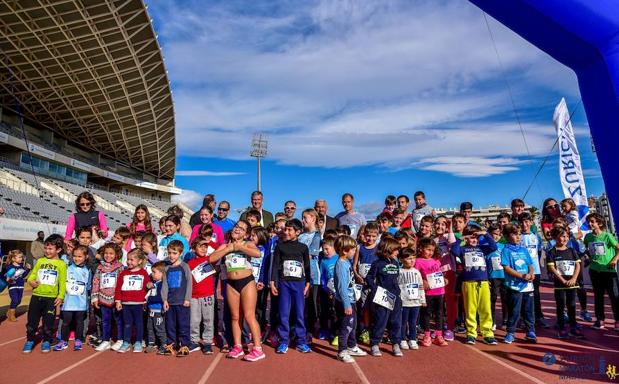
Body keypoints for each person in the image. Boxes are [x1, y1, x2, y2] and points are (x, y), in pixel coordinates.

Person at [210, 220, 265, 361]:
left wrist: (239, 246)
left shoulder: (248, 244)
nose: (237, 229)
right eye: (236, 227)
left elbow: (257, 254)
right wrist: (229, 249)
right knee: (235, 317)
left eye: (242, 228)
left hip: (247, 282)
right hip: (231, 284)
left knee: (249, 315)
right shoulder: (225, 245)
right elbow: (212, 258)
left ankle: (258, 348)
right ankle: (238, 346)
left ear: (246, 234)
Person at [270, 219, 311, 354]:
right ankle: (283, 341)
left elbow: (307, 266)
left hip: (299, 283)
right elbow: (275, 265)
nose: (286, 232)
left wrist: (308, 283)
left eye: (289, 230)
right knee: (283, 313)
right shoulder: (280, 246)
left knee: (299, 313)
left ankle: (301, 341)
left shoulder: (303, 248)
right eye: (285, 229)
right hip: (284, 283)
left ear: (297, 232)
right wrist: (272, 282)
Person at [451, 226, 498, 345]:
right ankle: (471, 333)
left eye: (476, 237)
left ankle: (487, 333)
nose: (474, 239)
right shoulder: (462, 249)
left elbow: (494, 246)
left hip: (483, 282)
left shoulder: (482, 248)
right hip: (468, 283)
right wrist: (462, 238)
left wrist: (485, 234)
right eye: (471, 237)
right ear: (467, 238)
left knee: (485, 308)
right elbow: (454, 250)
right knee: (470, 309)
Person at [22, 234, 67, 353]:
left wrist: (61, 296)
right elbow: (32, 275)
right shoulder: (40, 261)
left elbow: (62, 282)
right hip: (36, 296)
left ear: (58, 249)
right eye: (46, 248)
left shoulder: (61, 264)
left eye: (50, 248)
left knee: (48, 322)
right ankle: (30, 340)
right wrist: (31, 281)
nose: (47, 251)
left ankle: (47, 340)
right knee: (32, 321)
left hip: (50, 298)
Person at [366, 237, 403, 357]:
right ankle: (375, 344)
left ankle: (395, 343)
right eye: (396, 250)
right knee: (380, 320)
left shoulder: (395, 263)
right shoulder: (377, 263)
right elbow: (369, 278)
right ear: (388, 249)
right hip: (382, 296)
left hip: (395, 297)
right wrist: (376, 288)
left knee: (396, 321)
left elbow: (397, 278)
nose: (398, 252)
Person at [333, 235, 367, 363]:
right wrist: (347, 304)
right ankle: (342, 351)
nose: (354, 252)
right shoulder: (341, 265)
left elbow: (349, 281)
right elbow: (342, 287)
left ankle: (352, 346)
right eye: (352, 250)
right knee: (346, 326)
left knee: (353, 325)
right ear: (344, 251)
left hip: (351, 299)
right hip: (344, 302)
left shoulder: (346, 262)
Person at [501, 224, 536, 344]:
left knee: (529, 310)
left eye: (519, 234)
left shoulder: (523, 249)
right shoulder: (506, 250)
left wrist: (531, 273)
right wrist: (521, 276)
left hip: (527, 286)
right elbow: (506, 268)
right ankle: (510, 332)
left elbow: (530, 264)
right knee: (515, 310)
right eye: (514, 234)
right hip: (514, 286)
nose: (518, 237)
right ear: (506, 236)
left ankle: (530, 331)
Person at [546, 226, 584, 338]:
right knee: (561, 306)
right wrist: (563, 280)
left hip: (572, 284)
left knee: (572, 305)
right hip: (560, 285)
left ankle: (573, 327)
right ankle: (561, 328)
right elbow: (552, 269)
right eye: (563, 236)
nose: (565, 238)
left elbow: (578, 265)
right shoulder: (552, 252)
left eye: (567, 236)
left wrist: (573, 279)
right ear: (555, 237)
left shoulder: (572, 251)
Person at [584, 213, 619, 330]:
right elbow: (587, 251)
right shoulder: (588, 237)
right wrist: (587, 257)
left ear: (599, 223)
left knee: (614, 296)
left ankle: (617, 321)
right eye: (588, 222)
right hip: (594, 271)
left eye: (592, 221)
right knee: (598, 297)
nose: (590, 224)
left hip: (608, 271)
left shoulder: (607, 236)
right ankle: (600, 320)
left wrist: (614, 259)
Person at [54, 245, 91, 351]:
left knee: (80, 322)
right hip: (68, 302)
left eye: (80, 256)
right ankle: (63, 341)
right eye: (75, 256)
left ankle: (78, 340)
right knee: (66, 322)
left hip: (81, 303)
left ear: (86, 257)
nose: (77, 258)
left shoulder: (87, 271)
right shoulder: (67, 268)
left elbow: (88, 286)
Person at [115, 249, 151, 353]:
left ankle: (138, 341)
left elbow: (147, 286)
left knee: (139, 323)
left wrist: (149, 286)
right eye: (128, 259)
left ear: (139, 261)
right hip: (126, 303)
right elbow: (118, 288)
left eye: (132, 260)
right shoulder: (124, 273)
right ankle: (126, 342)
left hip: (139, 304)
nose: (129, 262)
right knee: (127, 323)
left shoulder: (143, 273)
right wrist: (118, 301)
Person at [161, 240, 193, 357]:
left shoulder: (184, 266)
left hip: (182, 301)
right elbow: (164, 285)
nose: (171, 255)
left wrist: (187, 299)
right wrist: (164, 300)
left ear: (180, 253)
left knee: (183, 324)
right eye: (169, 253)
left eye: (174, 253)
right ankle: (171, 344)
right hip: (170, 302)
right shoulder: (167, 268)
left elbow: (189, 282)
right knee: (170, 325)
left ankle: (184, 345)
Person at [91, 243, 124, 351]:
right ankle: (106, 340)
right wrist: (95, 297)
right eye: (106, 253)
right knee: (105, 320)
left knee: (118, 320)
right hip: (103, 298)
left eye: (111, 253)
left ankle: (120, 339)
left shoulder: (120, 267)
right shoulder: (100, 268)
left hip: (116, 299)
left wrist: (120, 298)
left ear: (116, 255)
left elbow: (122, 283)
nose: (108, 256)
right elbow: (96, 282)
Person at [416, 237, 448, 347]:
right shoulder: (418, 261)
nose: (430, 252)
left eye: (432, 250)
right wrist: (423, 282)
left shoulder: (436, 260)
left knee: (439, 313)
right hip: (427, 293)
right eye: (428, 250)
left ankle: (439, 335)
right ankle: (427, 335)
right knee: (427, 314)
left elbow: (439, 273)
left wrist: (444, 279)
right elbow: (416, 275)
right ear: (421, 249)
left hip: (439, 291)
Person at [187, 238, 217, 355]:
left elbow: (219, 249)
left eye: (206, 246)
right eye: (201, 246)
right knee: (194, 320)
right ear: (194, 249)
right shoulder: (189, 263)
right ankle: (194, 341)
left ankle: (207, 342)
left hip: (207, 295)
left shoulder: (209, 260)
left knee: (208, 319)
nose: (204, 248)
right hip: (194, 296)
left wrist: (208, 242)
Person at [353, 223, 379, 344]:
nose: (371, 239)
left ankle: (376, 330)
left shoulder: (379, 248)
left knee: (375, 308)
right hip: (363, 284)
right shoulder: (359, 247)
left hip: (375, 284)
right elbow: (354, 266)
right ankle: (366, 330)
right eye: (368, 236)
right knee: (365, 308)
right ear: (364, 235)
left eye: (374, 236)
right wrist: (358, 276)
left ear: (377, 236)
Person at [519, 212, 546, 328]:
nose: (524, 224)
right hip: (522, 271)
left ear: (531, 222)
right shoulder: (518, 237)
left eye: (526, 221)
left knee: (536, 294)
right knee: (523, 295)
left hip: (535, 271)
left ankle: (539, 317)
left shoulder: (536, 237)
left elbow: (539, 253)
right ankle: (523, 318)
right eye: (522, 222)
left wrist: (536, 267)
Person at [298, 208, 322, 339]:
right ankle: (301, 329)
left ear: (313, 219)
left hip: (312, 275)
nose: (303, 220)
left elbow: (310, 253)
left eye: (305, 218)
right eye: (302, 218)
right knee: (302, 304)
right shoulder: (301, 235)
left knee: (312, 305)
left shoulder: (317, 236)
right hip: (299, 275)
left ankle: (310, 331)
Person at [398, 247, 425, 351]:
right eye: (409, 258)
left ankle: (413, 339)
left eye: (414, 258)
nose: (412, 260)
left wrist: (423, 300)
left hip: (415, 302)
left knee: (413, 322)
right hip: (404, 302)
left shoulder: (416, 272)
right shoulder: (399, 272)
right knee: (403, 322)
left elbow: (421, 286)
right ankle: (402, 339)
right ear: (401, 259)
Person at [485, 223, 508, 330]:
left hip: (504, 276)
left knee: (505, 299)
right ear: (489, 234)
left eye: (498, 234)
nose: (496, 236)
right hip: (492, 277)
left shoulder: (504, 247)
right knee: (492, 299)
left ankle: (505, 320)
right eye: (494, 234)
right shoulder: (486, 247)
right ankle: (492, 321)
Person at [1, 250, 30, 321]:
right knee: (15, 300)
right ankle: (12, 315)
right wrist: (8, 279)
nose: (21, 259)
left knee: (19, 301)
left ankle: (9, 312)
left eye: (22, 257)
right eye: (19, 257)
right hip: (13, 286)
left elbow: (23, 276)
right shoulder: (9, 267)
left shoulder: (21, 266)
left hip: (21, 286)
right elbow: (6, 276)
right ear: (13, 258)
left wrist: (28, 269)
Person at [318, 235, 338, 341]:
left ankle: (335, 333)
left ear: (334, 247)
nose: (325, 251)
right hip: (327, 291)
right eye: (323, 249)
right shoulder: (323, 261)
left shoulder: (339, 258)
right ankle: (324, 330)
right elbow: (322, 277)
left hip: (338, 292)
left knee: (335, 313)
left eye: (327, 249)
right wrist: (326, 289)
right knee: (325, 311)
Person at [145, 261, 167, 354]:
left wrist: (149, 299)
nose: (152, 274)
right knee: (150, 328)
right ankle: (151, 343)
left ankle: (163, 344)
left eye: (154, 272)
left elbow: (159, 297)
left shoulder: (162, 284)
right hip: (151, 311)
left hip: (158, 311)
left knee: (159, 328)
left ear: (162, 274)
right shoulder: (154, 284)